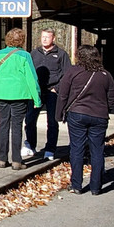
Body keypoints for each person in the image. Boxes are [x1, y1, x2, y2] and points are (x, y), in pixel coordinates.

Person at [56, 44, 114, 195]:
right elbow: (113, 98)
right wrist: (105, 108)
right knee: (97, 150)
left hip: (77, 114)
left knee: (77, 149)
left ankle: (76, 184)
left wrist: (59, 113)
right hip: (100, 116)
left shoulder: (73, 72)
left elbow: (63, 94)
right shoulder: (105, 75)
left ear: (79, 56)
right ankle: (96, 187)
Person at [0, 27, 42, 170]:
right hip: (19, 95)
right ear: (22, 40)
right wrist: (37, 99)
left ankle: (2, 159)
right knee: (16, 126)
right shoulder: (25, 56)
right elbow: (31, 79)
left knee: (3, 124)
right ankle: (17, 160)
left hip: (1, 95)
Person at [23, 28, 72, 160]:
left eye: (47, 37)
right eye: (43, 36)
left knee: (52, 122)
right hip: (36, 92)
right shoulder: (33, 53)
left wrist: (57, 88)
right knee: (30, 119)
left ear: (53, 38)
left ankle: (50, 149)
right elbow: (27, 72)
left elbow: (67, 75)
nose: (44, 39)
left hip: (52, 92)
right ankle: (30, 145)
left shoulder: (61, 54)